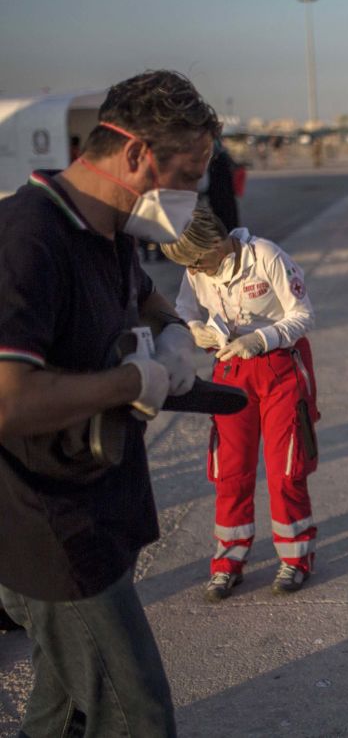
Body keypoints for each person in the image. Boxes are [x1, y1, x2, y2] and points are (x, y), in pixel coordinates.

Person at [0, 69, 220, 737]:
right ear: (134, 155)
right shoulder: (28, 237)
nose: (193, 195)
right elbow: (9, 398)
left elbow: (144, 299)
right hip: (51, 527)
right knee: (137, 717)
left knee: (62, 707)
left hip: (101, 504)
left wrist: (174, 334)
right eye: (187, 174)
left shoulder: (110, 233)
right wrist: (134, 381)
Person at [161, 204, 319, 601]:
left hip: (280, 369)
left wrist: (260, 339)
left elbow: (303, 315)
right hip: (231, 372)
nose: (194, 271)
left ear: (218, 242)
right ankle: (228, 561)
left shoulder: (265, 257)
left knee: (286, 469)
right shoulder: (195, 270)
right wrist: (194, 328)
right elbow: (184, 307)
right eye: (189, 266)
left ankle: (295, 558)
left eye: (198, 261)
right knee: (230, 471)